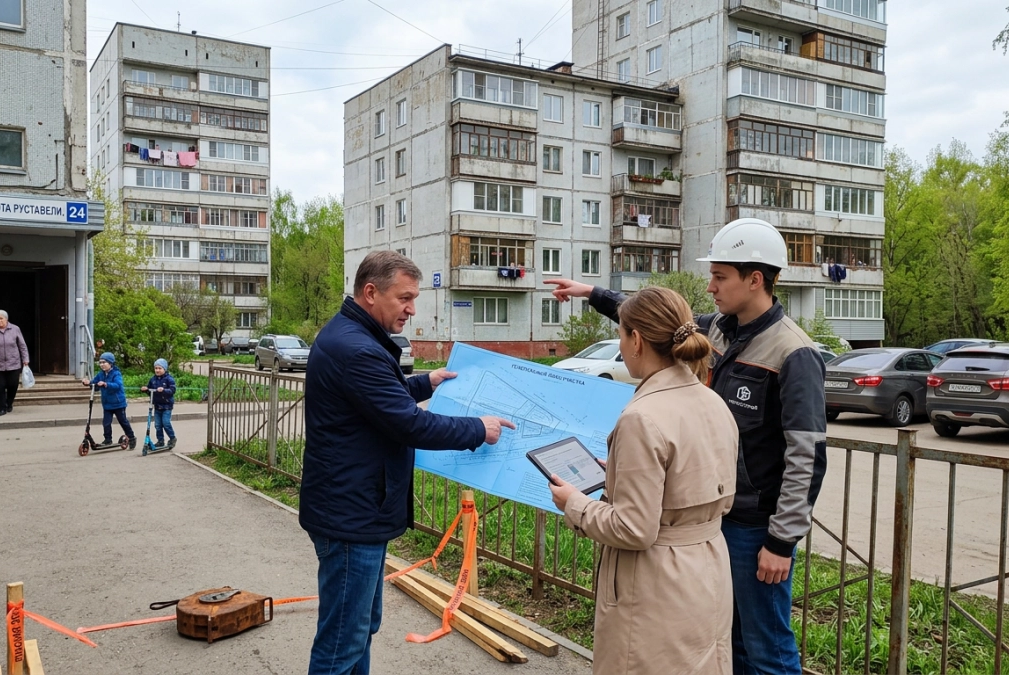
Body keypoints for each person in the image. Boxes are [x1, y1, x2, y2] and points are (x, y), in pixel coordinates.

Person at [546, 217, 827, 675]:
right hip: (705, 522)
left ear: (755, 279)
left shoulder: (793, 352)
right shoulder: (715, 331)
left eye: (720, 276)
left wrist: (781, 540)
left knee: (766, 649)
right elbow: (654, 323)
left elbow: (807, 456)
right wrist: (592, 293)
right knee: (723, 644)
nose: (710, 287)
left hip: (755, 529)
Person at [300, 250, 515, 675]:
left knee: (358, 630)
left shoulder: (353, 336)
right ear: (370, 292)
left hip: (355, 508)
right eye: (405, 298)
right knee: (342, 642)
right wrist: (478, 429)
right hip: (351, 516)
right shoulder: (357, 349)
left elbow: (378, 397)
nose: (412, 309)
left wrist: (425, 383)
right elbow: (409, 424)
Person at [548, 286, 740, 674]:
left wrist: (574, 504)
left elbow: (634, 528)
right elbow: (688, 482)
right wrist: (621, 471)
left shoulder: (642, 416)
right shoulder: (713, 401)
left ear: (636, 340)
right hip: (709, 570)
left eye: (621, 335)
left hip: (655, 584)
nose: (620, 345)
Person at [80, 352, 136, 447]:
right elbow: (94, 384)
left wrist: (106, 384)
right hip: (107, 404)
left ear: (110, 363)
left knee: (123, 421)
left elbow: (117, 385)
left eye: (104, 362)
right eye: (100, 362)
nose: (102, 364)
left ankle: (131, 437)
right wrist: (88, 383)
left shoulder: (116, 374)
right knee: (106, 423)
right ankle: (107, 439)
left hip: (118, 403)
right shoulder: (100, 374)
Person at [141, 358, 177, 450]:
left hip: (167, 406)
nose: (157, 370)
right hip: (157, 406)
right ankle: (160, 441)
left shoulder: (169, 379)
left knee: (166, 423)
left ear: (164, 369)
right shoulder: (153, 379)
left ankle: (172, 438)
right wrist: (146, 389)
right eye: (156, 368)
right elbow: (150, 391)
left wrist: (164, 390)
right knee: (157, 425)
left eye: (159, 368)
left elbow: (172, 390)